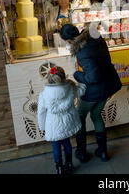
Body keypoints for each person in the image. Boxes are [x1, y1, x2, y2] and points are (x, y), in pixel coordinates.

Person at [60, 23, 122, 162]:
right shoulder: (95, 37)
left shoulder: (82, 53)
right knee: (96, 115)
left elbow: (93, 77)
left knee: (80, 115)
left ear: (69, 41)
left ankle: (81, 153)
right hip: (107, 86)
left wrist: (77, 75)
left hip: (94, 91)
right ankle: (103, 151)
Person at [37, 66, 81, 174]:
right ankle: (69, 164)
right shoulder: (70, 88)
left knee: (56, 146)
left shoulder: (44, 95)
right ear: (64, 77)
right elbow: (81, 91)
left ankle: (59, 168)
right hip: (68, 122)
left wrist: (42, 127)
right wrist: (77, 82)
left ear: (48, 78)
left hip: (53, 126)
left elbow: (41, 112)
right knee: (67, 143)